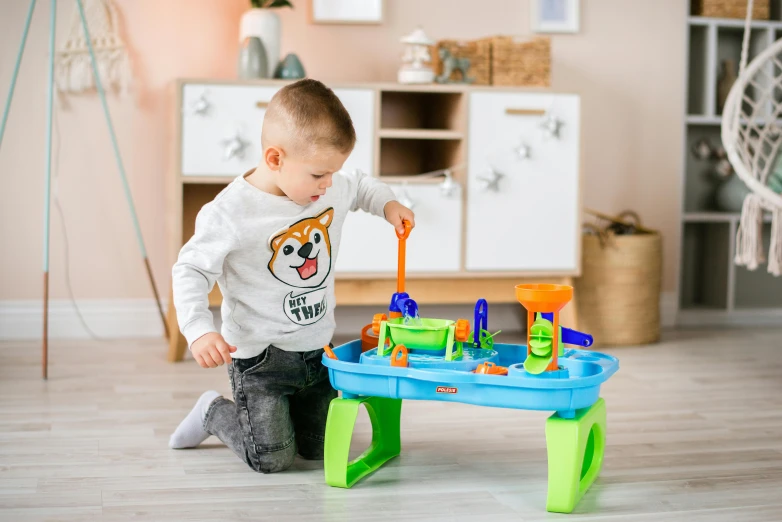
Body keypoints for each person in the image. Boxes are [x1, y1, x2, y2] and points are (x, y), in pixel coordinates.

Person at [168, 78, 415, 473]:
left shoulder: (325, 186)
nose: (329, 184)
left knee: (318, 450)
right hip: (258, 360)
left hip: (317, 352)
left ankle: (290, 416)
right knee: (272, 459)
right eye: (319, 174)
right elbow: (191, 270)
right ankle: (213, 413)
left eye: (334, 172)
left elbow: (360, 185)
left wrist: (387, 204)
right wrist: (198, 329)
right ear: (274, 159)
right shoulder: (230, 212)